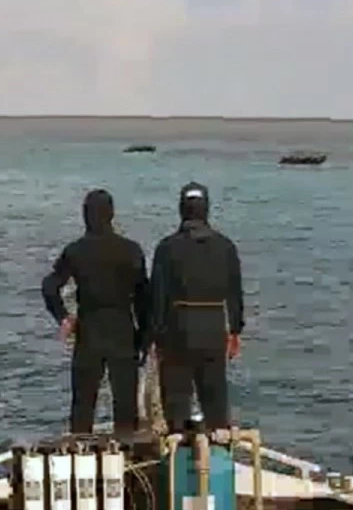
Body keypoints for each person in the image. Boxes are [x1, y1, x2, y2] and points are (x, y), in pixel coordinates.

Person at [41, 188, 150, 434]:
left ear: (85, 216)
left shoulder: (76, 251)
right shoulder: (131, 250)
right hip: (123, 328)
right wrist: (144, 338)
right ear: (111, 215)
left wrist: (63, 317)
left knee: (83, 404)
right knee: (125, 404)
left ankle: (80, 457)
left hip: (89, 329)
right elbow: (144, 298)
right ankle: (127, 460)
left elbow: (49, 286)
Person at [148, 182, 244, 432]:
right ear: (206, 210)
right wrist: (235, 331)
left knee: (177, 402)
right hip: (213, 327)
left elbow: (157, 297)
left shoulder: (167, 248)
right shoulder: (226, 247)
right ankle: (217, 457)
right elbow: (235, 294)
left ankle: (178, 459)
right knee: (215, 401)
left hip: (177, 329)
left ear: (182, 210)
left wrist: (155, 338)